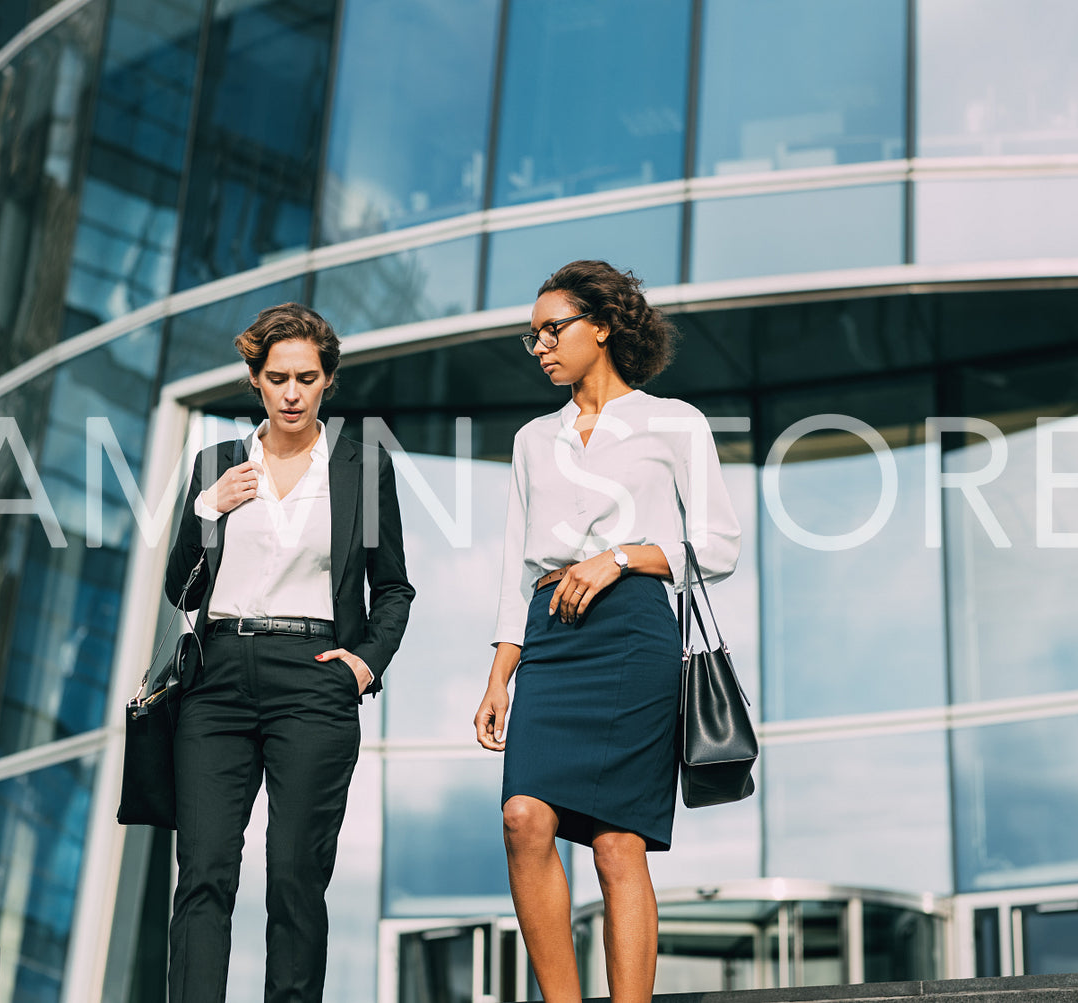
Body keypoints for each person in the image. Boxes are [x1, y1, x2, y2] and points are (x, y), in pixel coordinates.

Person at [474, 260, 741, 1001]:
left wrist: (619, 558)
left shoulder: (673, 421)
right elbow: (511, 567)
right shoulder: (533, 438)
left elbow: (718, 546)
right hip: (550, 638)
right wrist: (500, 676)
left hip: (632, 634)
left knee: (618, 844)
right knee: (523, 817)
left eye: (551, 330)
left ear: (602, 326)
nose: (540, 348)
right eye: (530, 337)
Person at [163, 303, 414, 1003]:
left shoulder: (362, 468)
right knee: (204, 871)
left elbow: (392, 587)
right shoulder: (217, 465)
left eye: (307, 376)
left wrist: (365, 662)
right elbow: (176, 587)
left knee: (295, 874)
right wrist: (206, 510)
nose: (292, 392)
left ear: (327, 380)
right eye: (277, 377)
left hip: (313, 678)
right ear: (255, 378)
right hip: (215, 677)